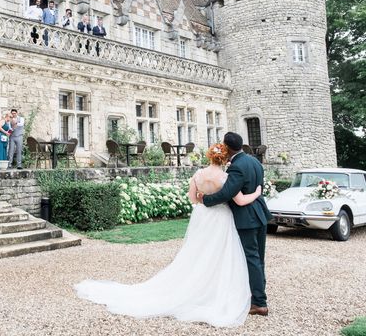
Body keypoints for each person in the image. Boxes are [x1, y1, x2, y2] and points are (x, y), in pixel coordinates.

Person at [75, 142, 262, 327]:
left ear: (209, 156)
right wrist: (256, 193)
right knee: (221, 254)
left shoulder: (198, 175)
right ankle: (216, 290)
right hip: (221, 217)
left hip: (203, 217)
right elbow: (239, 199)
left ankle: (196, 286)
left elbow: (193, 199)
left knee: (197, 252)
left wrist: (203, 199)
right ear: (224, 158)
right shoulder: (226, 177)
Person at [199, 132, 273, 317]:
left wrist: (206, 199)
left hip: (246, 218)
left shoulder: (236, 167)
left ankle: (259, 302)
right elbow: (258, 186)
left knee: (251, 258)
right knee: (258, 258)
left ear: (227, 148)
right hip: (260, 214)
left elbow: (227, 193)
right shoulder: (254, 161)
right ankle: (257, 294)